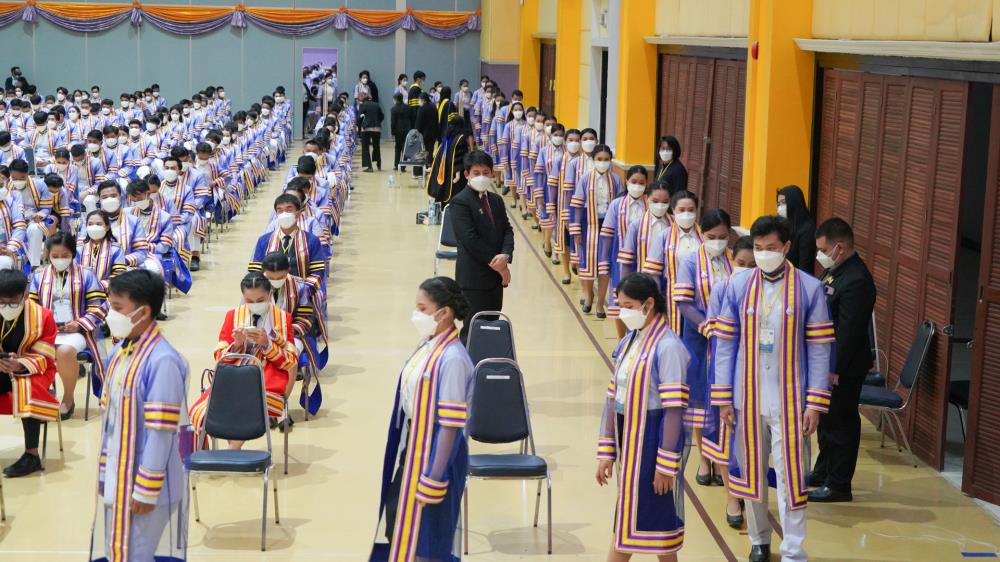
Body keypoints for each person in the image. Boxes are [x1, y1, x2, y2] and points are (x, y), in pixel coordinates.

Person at [712, 215, 833, 562]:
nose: (764, 254)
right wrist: (723, 397)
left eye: (771, 248)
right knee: (750, 473)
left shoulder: (809, 289)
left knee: (791, 477)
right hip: (746, 398)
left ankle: (793, 549)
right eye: (758, 248)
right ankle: (759, 539)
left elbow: (820, 350)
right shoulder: (738, 286)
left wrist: (815, 404)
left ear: (787, 247)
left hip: (791, 400)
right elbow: (725, 345)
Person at [369, 276, 474, 562]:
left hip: (438, 453)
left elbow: (450, 426)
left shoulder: (453, 358)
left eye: (422, 308)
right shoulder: (427, 343)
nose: (417, 315)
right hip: (415, 446)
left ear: (444, 313)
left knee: (428, 542)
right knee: (399, 527)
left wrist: (434, 477)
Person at [89, 269, 189, 562]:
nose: (110, 314)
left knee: (135, 556)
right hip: (120, 475)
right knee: (116, 552)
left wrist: (146, 489)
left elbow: (161, 432)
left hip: (150, 484)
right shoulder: (120, 352)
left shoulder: (162, 360)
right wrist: (106, 473)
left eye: (117, 308)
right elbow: (111, 421)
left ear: (143, 312)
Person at [595, 272, 688, 561]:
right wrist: (607, 451)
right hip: (629, 438)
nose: (623, 312)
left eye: (628, 306)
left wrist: (665, 465)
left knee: (637, 524)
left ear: (648, 304)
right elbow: (613, 398)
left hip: (651, 442)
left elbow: (674, 411)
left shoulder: (669, 347)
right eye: (620, 305)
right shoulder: (629, 341)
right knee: (651, 528)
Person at [808, 217, 876, 503]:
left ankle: (838, 484)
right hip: (829, 362)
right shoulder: (836, 271)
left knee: (840, 423)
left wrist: (832, 369)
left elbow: (848, 332)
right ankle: (823, 471)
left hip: (844, 367)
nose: (820, 255)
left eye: (824, 250)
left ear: (840, 247)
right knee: (826, 421)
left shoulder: (857, 280)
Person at [189, 272, 298, 448]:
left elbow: (291, 361)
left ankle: (231, 451)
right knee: (199, 411)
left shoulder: (282, 319)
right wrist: (237, 346)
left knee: (244, 404)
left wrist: (267, 344)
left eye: (260, 300)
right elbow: (219, 356)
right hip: (233, 377)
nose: (255, 304)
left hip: (268, 382)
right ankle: (217, 453)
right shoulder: (233, 316)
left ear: (270, 294)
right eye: (249, 301)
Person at [673, 209, 733, 489]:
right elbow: (684, 303)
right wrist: (707, 325)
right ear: (702, 234)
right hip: (698, 336)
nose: (717, 242)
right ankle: (704, 459)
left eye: (722, 236)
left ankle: (721, 457)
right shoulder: (689, 260)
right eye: (711, 237)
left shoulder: (735, 259)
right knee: (699, 397)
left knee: (722, 397)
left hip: (729, 340)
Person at [702, 234, 755, 528]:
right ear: (732, 260)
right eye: (741, 263)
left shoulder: (768, 292)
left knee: (748, 438)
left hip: (755, 374)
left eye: (752, 265)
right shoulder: (722, 288)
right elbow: (711, 329)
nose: (746, 269)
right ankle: (731, 497)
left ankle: (748, 486)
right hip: (724, 369)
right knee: (724, 434)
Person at [29, 232, 108, 419]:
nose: (60, 259)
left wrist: (79, 324)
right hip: (46, 331)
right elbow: (31, 307)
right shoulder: (38, 276)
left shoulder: (86, 274)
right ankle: (39, 397)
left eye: (65, 255)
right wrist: (43, 325)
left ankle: (68, 399)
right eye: (55, 256)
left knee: (64, 351)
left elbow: (98, 307)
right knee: (30, 349)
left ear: (73, 253)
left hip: (78, 331)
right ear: (48, 255)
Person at [448, 151, 513, 343]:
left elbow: (507, 230)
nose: (482, 177)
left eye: (486, 172)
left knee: (491, 329)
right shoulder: (460, 202)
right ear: (467, 174)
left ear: (492, 173)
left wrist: (506, 255)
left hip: (495, 280)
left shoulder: (496, 200)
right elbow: (471, 240)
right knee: (473, 331)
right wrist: (500, 267)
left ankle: (487, 362)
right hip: (473, 280)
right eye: (476, 173)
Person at [0, 268, 58, 477]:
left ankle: (32, 455)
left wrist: (19, 365)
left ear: (24, 295)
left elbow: (46, 355)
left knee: (27, 387)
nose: (6, 306)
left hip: (34, 368)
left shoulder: (43, 316)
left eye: (12, 301)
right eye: (1, 302)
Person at [570, 144, 623, 316]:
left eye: (606, 159)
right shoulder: (585, 179)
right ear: (593, 160)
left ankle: (600, 303)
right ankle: (588, 296)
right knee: (586, 261)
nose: (602, 162)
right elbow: (577, 204)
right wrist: (576, 230)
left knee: (604, 264)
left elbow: (621, 205)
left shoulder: (616, 180)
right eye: (599, 159)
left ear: (610, 160)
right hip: (588, 225)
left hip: (609, 226)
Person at [643, 190, 702, 334]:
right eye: (681, 210)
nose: (686, 214)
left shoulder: (704, 236)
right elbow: (653, 273)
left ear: (696, 211)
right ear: (673, 210)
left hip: (699, 297)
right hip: (671, 297)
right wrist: (658, 302)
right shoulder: (664, 237)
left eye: (691, 210)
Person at [598, 165, 648, 329]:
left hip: (644, 259)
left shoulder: (650, 205)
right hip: (620, 259)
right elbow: (607, 234)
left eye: (641, 183)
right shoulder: (617, 205)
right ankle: (621, 339)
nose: (637, 186)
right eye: (634, 181)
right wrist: (604, 261)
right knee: (621, 300)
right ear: (627, 181)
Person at [249, 193, 327, 294]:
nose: (284, 214)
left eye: (289, 210)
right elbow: (256, 271)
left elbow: (318, 271)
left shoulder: (311, 240)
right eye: (280, 211)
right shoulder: (264, 240)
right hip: (270, 293)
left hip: (303, 294)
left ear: (298, 213)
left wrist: (303, 291)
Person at [426, 116, 471, 205]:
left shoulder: (447, 137)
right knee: (454, 195)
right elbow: (460, 157)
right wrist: (458, 173)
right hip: (455, 174)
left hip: (446, 171)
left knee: (445, 192)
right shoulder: (461, 138)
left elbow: (439, 155)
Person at [77, 210, 127, 283]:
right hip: (82, 288)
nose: (94, 227)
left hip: (106, 288)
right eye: (90, 224)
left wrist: (100, 286)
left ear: (107, 227)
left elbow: (119, 274)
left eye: (99, 224)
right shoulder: (79, 248)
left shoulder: (116, 248)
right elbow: (74, 271)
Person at [777, 185, 816, 272]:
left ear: (794, 202)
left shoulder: (807, 229)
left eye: (783, 202)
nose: (780, 207)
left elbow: (805, 265)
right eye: (778, 204)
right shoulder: (780, 222)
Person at [414, 92, 438, 179]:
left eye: (419, 99)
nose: (418, 101)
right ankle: (429, 170)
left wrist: (417, 132)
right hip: (433, 133)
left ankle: (418, 172)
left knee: (421, 153)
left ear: (422, 99)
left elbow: (419, 123)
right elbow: (437, 120)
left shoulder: (422, 109)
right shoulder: (434, 107)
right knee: (430, 152)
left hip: (424, 134)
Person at [358, 93, 384, 173]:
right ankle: (379, 164)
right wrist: (377, 122)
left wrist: (361, 126)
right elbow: (382, 116)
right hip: (377, 128)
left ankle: (369, 167)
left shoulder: (362, 106)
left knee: (365, 147)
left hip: (366, 129)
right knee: (376, 146)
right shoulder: (376, 105)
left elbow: (360, 117)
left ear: (362, 100)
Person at [390, 93, 412, 173]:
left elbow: (393, 122)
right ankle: (403, 166)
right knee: (404, 148)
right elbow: (411, 118)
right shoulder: (408, 107)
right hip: (407, 130)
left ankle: (396, 165)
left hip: (398, 130)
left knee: (397, 148)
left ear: (395, 99)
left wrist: (392, 132)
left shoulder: (393, 108)